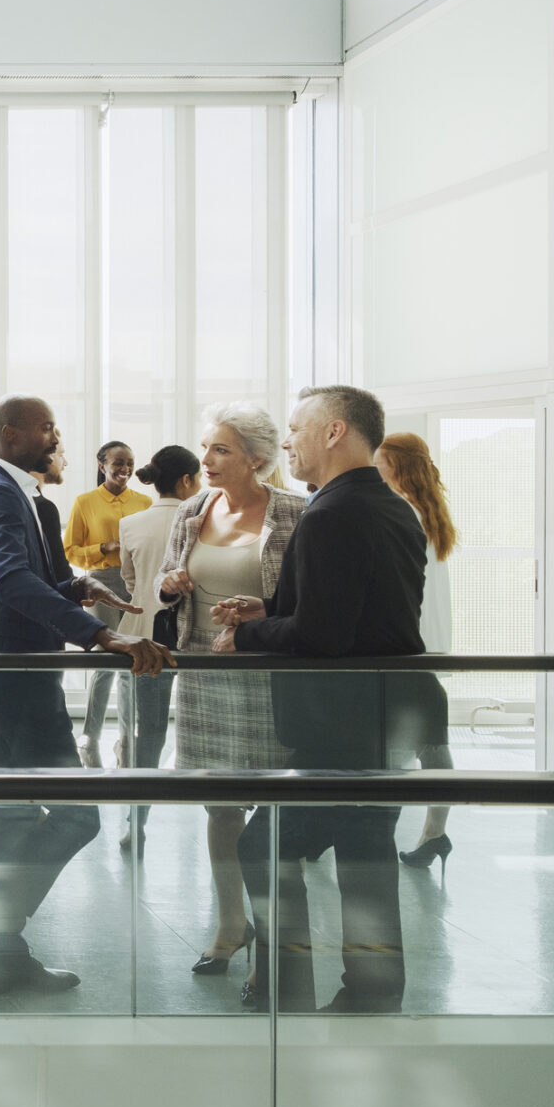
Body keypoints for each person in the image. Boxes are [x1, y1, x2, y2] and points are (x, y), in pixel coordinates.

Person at [216, 385, 428, 1014]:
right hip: (379, 720)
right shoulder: (390, 507)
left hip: (336, 725)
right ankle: (374, 988)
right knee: (367, 855)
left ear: (335, 432)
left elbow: (325, 635)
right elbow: (359, 613)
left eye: (296, 428)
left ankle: (287, 985)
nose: (287, 442)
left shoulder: (331, 512)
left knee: (261, 847)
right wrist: (273, 607)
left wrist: (247, 634)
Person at [0, 395, 172, 995]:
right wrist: (100, 635)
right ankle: (0, 923)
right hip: (17, 679)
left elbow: (29, 578)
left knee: (16, 810)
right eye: (46, 429)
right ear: (8, 434)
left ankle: (2, 950)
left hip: (17, 677)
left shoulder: (20, 494)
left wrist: (79, 589)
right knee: (75, 814)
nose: (57, 438)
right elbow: (8, 578)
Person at [155, 406, 306, 977]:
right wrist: (168, 585)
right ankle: (228, 924)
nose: (207, 460)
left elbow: (307, 600)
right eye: (206, 448)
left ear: (257, 459)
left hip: (271, 678)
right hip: (204, 674)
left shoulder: (296, 512)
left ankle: (274, 936)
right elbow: (170, 581)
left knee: (272, 808)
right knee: (219, 806)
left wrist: (261, 612)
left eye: (221, 450)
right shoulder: (193, 510)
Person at [377, 433, 459, 870]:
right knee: (428, 739)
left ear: (398, 467)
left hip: (408, 644)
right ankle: (434, 832)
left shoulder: (400, 511)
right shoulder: (430, 510)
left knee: (407, 745)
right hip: (426, 644)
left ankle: (392, 833)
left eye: (380, 463)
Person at [112, 445, 201, 847]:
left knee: (144, 730)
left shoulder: (130, 523)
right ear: (186, 480)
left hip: (142, 636)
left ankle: (138, 819)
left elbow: (131, 583)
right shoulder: (203, 521)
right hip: (194, 639)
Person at [66, 441, 152, 767]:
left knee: (133, 658)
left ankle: (127, 740)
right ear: (102, 465)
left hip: (135, 584)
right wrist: (104, 547)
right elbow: (71, 551)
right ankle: (90, 737)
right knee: (104, 659)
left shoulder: (144, 502)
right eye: (118, 463)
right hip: (100, 584)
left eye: (130, 463)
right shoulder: (85, 502)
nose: (125, 470)